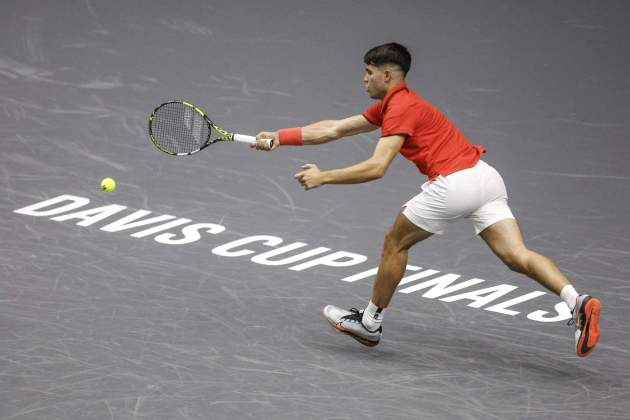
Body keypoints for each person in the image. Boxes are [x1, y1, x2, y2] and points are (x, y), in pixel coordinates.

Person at [252, 42, 601, 357]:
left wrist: (324, 176)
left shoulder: (400, 109)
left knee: (395, 243)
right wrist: (280, 137)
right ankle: (577, 301)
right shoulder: (394, 104)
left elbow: (377, 167)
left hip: (455, 184)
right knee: (516, 256)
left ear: (387, 75)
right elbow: (335, 128)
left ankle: (370, 323)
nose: (364, 79)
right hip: (485, 177)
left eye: (369, 73)